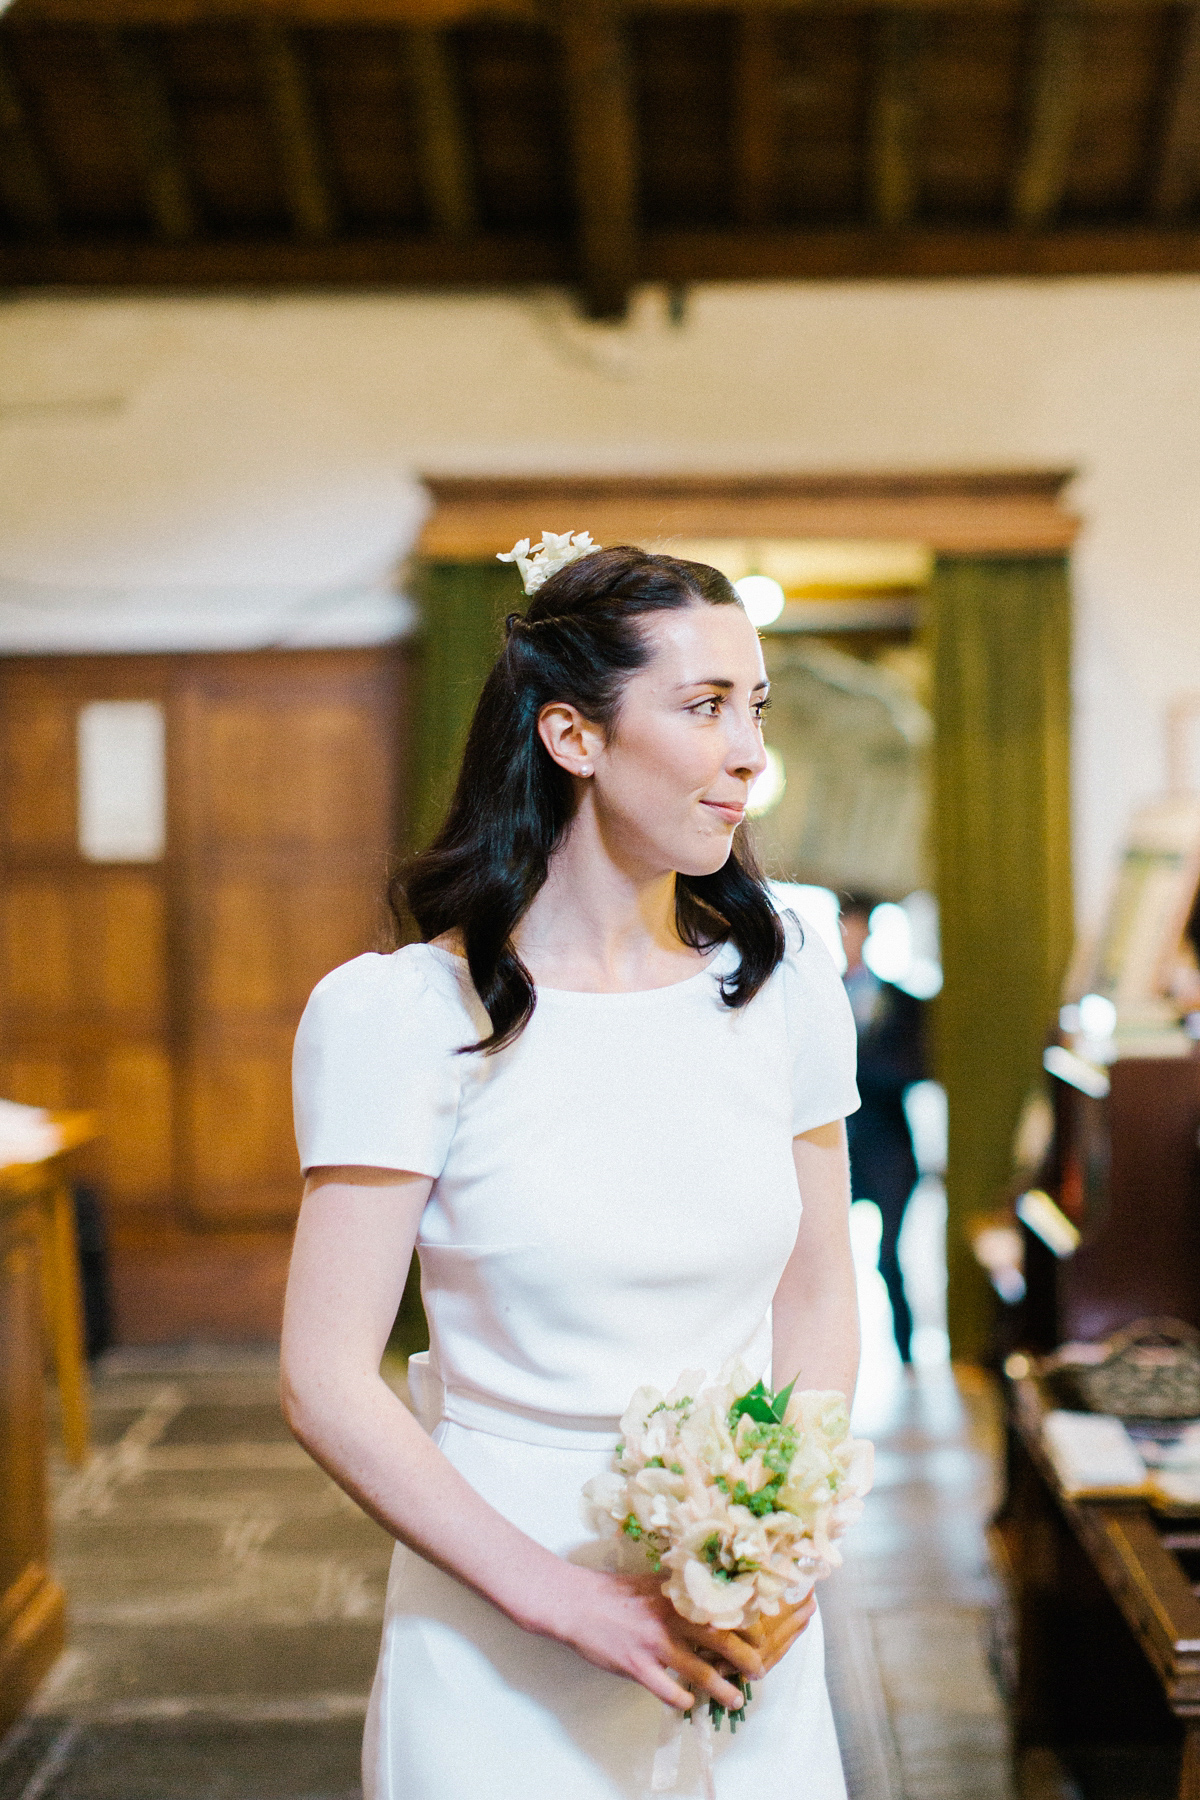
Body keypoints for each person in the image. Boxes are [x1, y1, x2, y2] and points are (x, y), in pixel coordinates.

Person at [281, 541, 862, 1800]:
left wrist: (783, 1551)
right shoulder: (402, 1016)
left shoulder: (786, 990)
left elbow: (817, 1298)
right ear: (573, 735)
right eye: (705, 707)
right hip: (504, 1602)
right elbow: (325, 1380)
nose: (750, 751)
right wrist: (568, 1603)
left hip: (740, 1618)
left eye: (753, 708)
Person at [839, 897, 926, 1365]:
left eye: (856, 930)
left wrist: (851, 1066)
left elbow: (913, 1068)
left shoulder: (904, 1002)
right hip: (839, 1152)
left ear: (869, 934)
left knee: (889, 1260)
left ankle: (907, 1360)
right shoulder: (823, 995)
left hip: (891, 1150)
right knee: (824, 1262)